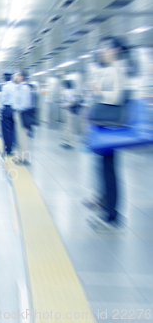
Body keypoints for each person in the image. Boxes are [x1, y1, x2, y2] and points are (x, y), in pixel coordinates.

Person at [85, 36, 134, 231]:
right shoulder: (110, 69)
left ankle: (112, 215)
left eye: (105, 48)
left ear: (114, 50)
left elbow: (115, 97)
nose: (102, 51)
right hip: (106, 127)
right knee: (104, 169)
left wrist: (98, 91)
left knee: (109, 171)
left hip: (111, 127)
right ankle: (105, 205)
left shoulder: (118, 69)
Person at [12, 71, 32, 165]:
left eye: (16, 76)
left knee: (23, 137)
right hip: (18, 113)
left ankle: (25, 159)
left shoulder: (24, 88)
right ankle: (20, 157)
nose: (15, 77)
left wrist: (17, 110)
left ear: (21, 77)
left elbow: (24, 104)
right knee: (19, 137)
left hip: (22, 114)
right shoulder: (19, 88)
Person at [59, 79, 81, 149]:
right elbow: (76, 101)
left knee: (68, 127)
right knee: (69, 127)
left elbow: (72, 101)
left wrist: (65, 105)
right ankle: (68, 142)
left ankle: (69, 143)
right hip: (73, 111)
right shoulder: (73, 91)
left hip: (69, 111)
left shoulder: (66, 92)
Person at [0, 72, 16, 156]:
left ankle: (7, 149)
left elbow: (3, 100)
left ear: (4, 78)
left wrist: (0, 111)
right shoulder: (16, 86)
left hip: (7, 109)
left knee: (6, 130)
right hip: (15, 110)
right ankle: (11, 148)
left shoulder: (5, 87)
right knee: (12, 130)